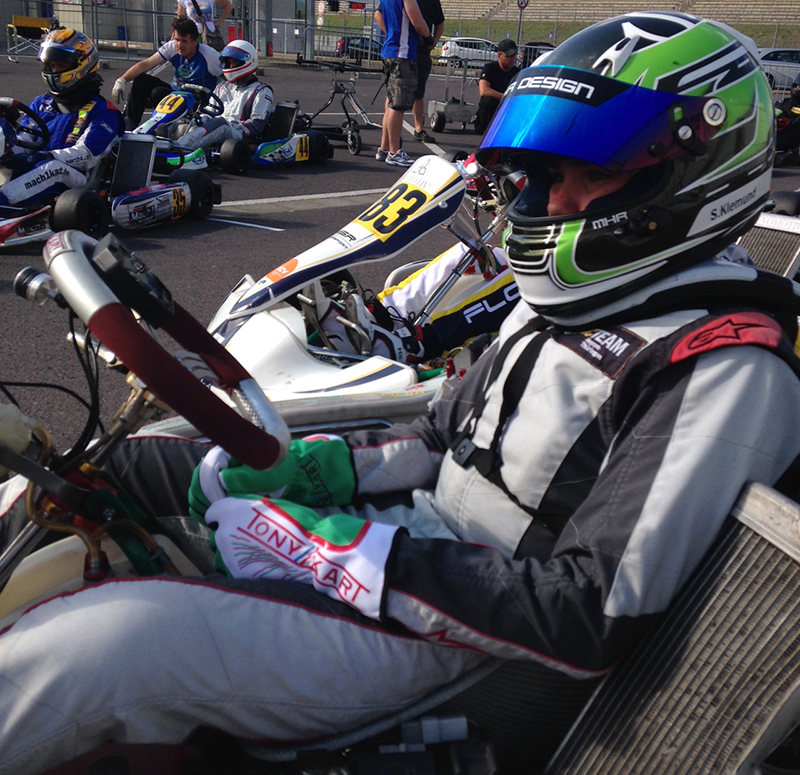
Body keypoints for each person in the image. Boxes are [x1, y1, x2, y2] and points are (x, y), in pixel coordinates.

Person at [1, 12, 799, 774]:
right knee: (114, 468)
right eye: (547, 174)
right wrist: (314, 473)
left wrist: (338, 554)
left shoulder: (721, 363)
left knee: (102, 649)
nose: (549, 203)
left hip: (465, 639)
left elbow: (589, 612)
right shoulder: (573, 301)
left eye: (592, 175)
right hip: (409, 547)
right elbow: (439, 436)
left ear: (689, 173)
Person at [0, 28, 124, 207]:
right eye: (51, 65)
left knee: (53, 168)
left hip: (77, 179)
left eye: (61, 65)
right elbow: (26, 140)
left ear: (83, 64)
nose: (55, 70)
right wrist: (8, 147)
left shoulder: (104, 112)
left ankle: (3, 201)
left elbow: (86, 155)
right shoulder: (41, 103)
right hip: (35, 168)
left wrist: (45, 156)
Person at [111, 16, 223, 128]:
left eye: (184, 41)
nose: (179, 45)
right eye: (177, 40)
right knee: (141, 80)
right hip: (176, 93)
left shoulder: (209, 56)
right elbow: (146, 64)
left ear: (194, 42)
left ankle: (164, 127)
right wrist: (122, 80)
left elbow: (229, 77)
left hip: (196, 101)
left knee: (157, 93)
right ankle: (128, 126)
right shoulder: (172, 47)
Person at [171, 40, 274, 158]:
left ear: (247, 62)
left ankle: (178, 148)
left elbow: (256, 125)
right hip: (216, 127)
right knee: (182, 122)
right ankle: (159, 143)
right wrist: (200, 119)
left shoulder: (261, 91)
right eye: (229, 63)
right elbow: (210, 112)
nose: (231, 66)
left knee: (220, 123)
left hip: (239, 135)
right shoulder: (222, 86)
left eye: (235, 62)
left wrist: (229, 124)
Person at [373, 0, 433, 167]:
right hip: (403, 53)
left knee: (391, 101)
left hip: (390, 50)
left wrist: (391, 32)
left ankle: (384, 148)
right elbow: (417, 22)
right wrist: (428, 37)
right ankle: (394, 152)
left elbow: (378, 14)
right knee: (398, 105)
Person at [473, 38, 520, 135]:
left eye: (514, 55)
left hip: (508, 106)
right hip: (494, 105)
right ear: (499, 55)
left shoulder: (517, 73)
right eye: (508, 56)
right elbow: (484, 90)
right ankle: (485, 128)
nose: (512, 59)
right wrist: (505, 97)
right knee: (489, 100)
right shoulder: (490, 68)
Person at [775, 72, 800, 163]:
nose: (798, 88)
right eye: (798, 86)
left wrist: (791, 122)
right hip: (776, 135)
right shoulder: (783, 103)